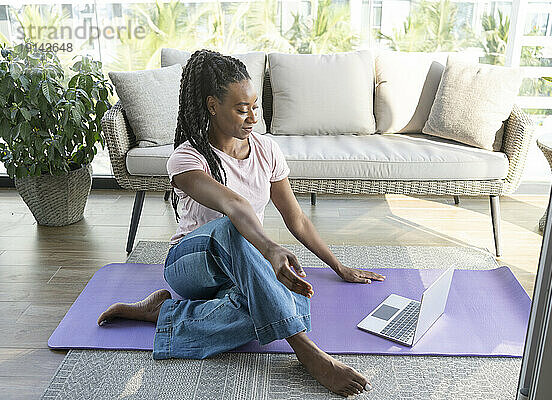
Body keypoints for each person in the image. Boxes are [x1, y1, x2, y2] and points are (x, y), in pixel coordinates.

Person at [97, 49, 386, 398]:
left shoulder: (266, 151)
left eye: (255, 107)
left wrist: (339, 266)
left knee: (291, 300)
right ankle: (308, 353)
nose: (252, 118)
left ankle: (165, 313)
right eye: (241, 109)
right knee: (236, 236)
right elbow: (232, 206)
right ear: (212, 106)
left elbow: (295, 217)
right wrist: (271, 249)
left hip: (243, 265)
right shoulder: (186, 158)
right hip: (192, 265)